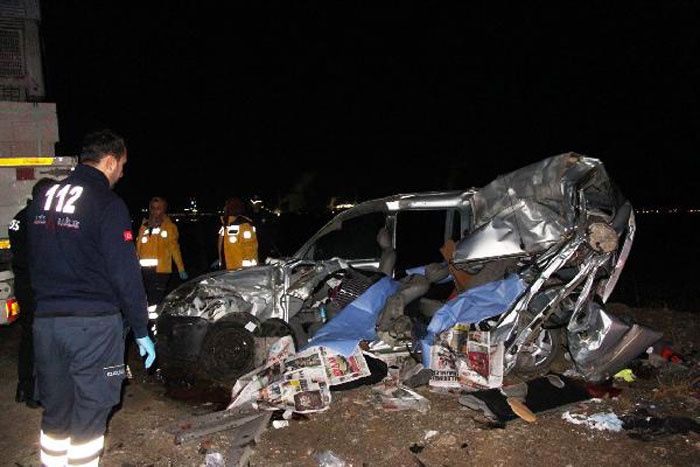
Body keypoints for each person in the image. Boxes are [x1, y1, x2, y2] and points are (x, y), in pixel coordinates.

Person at [27, 129, 155, 467]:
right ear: (110, 161)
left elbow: (32, 258)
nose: (122, 173)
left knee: (57, 410)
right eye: (122, 165)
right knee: (90, 410)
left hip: (47, 324)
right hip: (93, 327)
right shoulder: (106, 203)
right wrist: (141, 329)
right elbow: (124, 273)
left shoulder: (45, 197)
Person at [8, 177, 54, 409]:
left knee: (29, 337)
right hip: (36, 287)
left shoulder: (19, 218)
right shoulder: (37, 220)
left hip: (25, 285)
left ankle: (25, 387)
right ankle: (34, 390)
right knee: (39, 339)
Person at [136, 196, 187, 313]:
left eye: (158, 208)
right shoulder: (144, 226)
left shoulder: (170, 227)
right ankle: (148, 322)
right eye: (153, 208)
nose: (155, 211)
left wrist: (181, 269)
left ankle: (155, 324)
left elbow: (175, 249)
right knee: (146, 300)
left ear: (163, 209)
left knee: (155, 301)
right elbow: (138, 247)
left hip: (161, 271)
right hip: (144, 271)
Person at [218, 196, 259, 270]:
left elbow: (249, 248)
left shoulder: (244, 225)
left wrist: (246, 270)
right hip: (227, 269)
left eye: (226, 206)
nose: (224, 208)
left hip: (240, 272)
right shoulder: (225, 224)